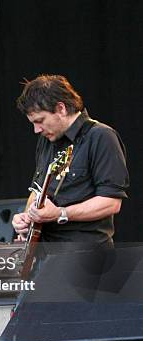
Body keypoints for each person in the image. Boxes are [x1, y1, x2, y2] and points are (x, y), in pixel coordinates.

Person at [12, 75, 129, 249]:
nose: (36, 130)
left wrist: (60, 214)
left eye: (40, 121)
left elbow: (111, 202)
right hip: (45, 249)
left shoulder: (101, 137)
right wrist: (27, 216)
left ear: (61, 109)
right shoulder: (47, 140)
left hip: (84, 254)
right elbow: (37, 190)